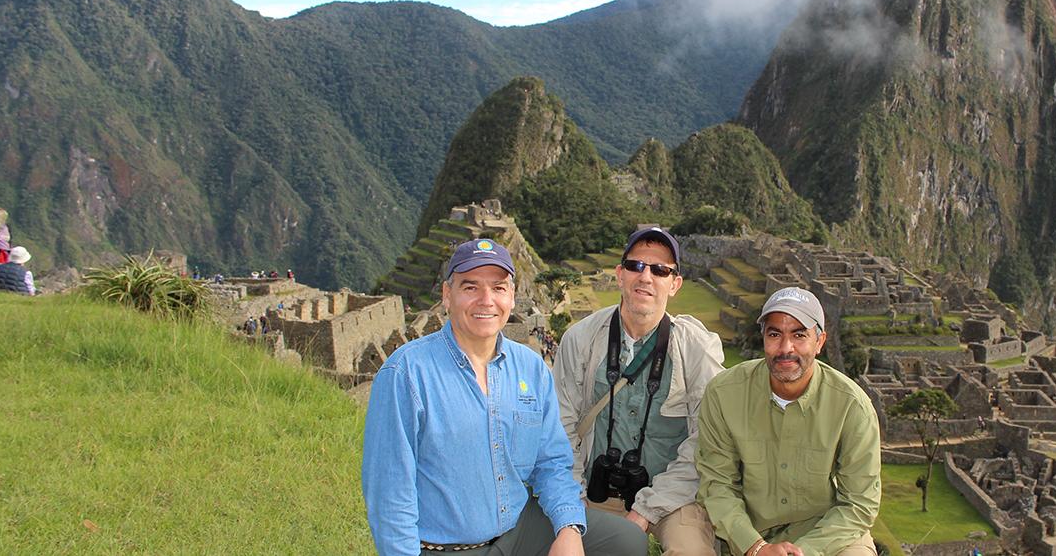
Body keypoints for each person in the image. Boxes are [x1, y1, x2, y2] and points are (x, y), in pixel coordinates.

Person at [362, 238, 646, 556]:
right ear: (447, 295)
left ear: (511, 297)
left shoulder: (530, 368)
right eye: (470, 287)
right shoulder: (406, 374)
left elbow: (551, 462)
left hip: (518, 529)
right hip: (446, 546)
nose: (486, 301)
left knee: (626, 541)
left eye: (498, 288)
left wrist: (568, 529)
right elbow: (389, 492)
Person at [555, 226, 725, 555]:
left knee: (691, 551)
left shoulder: (696, 349)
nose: (646, 277)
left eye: (661, 270)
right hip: (592, 490)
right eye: (636, 266)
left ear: (674, 284)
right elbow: (562, 429)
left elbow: (706, 442)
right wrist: (571, 506)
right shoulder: (582, 340)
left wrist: (646, 511)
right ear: (620, 275)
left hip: (674, 493)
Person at [697, 287, 881, 556]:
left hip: (825, 533)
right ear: (763, 339)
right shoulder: (723, 394)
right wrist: (755, 547)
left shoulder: (852, 406)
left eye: (799, 335)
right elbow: (717, 484)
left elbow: (860, 503)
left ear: (820, 342)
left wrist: (805, 551)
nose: (786, 348)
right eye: (775, 334)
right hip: (745, 533)